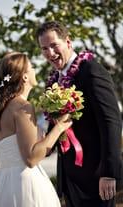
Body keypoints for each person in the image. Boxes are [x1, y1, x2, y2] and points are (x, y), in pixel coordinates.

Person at [36, 21, 123, 207]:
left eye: (54, 45)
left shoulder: (91, 70)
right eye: (44, 48)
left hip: (96, 176)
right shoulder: (54, 81)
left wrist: (109, 172)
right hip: (70, 178)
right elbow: (57, 125)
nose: (50, 53)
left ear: (68, 42)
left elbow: (111, 121)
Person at [0, 52, 72, 206]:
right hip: (26, 186)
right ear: (24, 76)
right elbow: (31, 159)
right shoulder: (22, 106)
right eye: (31, 67)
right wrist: (58, 128)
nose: (34, 70)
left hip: (4, 187)